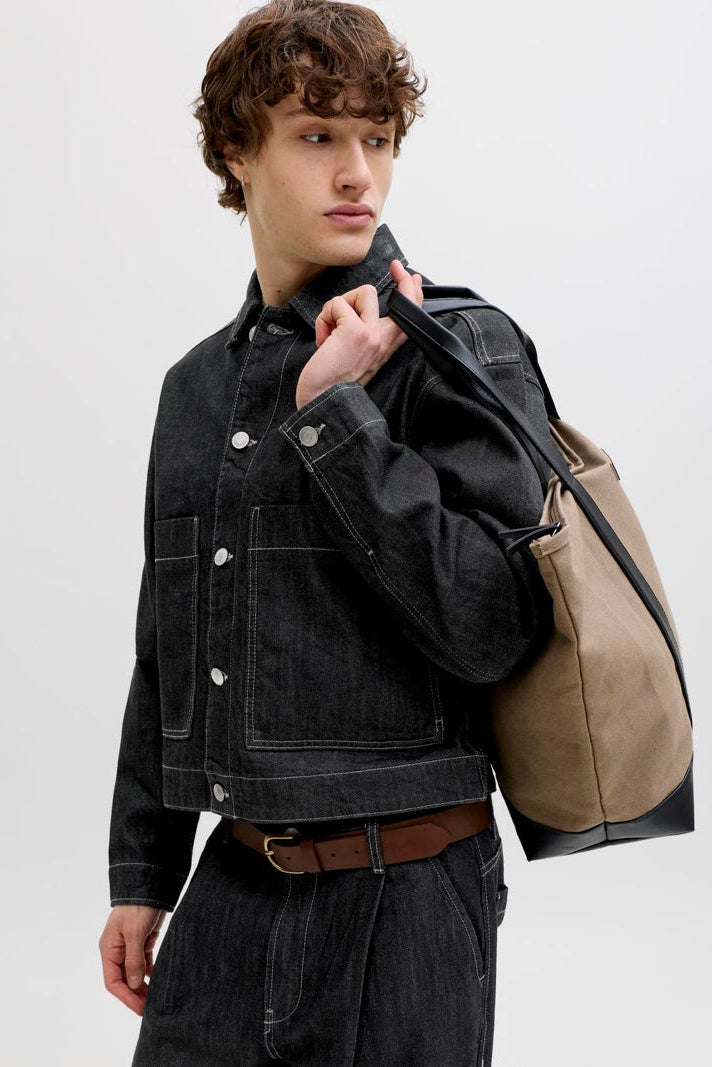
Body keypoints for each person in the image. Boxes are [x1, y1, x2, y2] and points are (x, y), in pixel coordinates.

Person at [98, 1, 554, 1063]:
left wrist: (335, 419)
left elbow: (494, 627)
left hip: (405, 900)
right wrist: (143, 873)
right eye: (316, 135)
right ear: (237, 150)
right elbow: (167, 649)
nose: (358, 173)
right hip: (230, 888)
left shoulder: (458, 347)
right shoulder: (194, 387)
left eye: (378, 137)